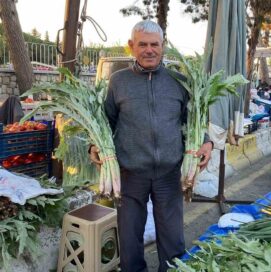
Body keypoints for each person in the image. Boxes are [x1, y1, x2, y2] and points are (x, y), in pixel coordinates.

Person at [89, 20, 213, 272]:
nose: (149, 50)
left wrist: (207, 141)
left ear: (163, 46)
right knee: (129, 238)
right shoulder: (118, 81)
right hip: (130, 172)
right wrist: (94, 146)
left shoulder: (179, 81)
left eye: (154, 44)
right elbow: (105, 121)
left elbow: (193, 119)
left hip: (169, 172)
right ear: (131, 46)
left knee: (173, 238)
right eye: (142, 44)